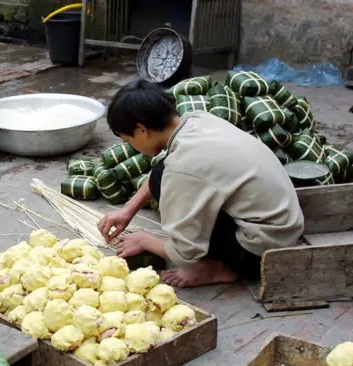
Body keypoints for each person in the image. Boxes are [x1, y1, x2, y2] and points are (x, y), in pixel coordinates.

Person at [98, 79, 305, 288]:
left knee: (174, 194)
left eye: (127, 139)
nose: (128, 145)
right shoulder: (197, 120)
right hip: (287, 223)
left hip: (260, 251)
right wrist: (128, 210)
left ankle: (215, 269)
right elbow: (167, 170)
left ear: (142, 130)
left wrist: (145, 240)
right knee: (162, 173)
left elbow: (184, 252)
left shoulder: (184, 166)